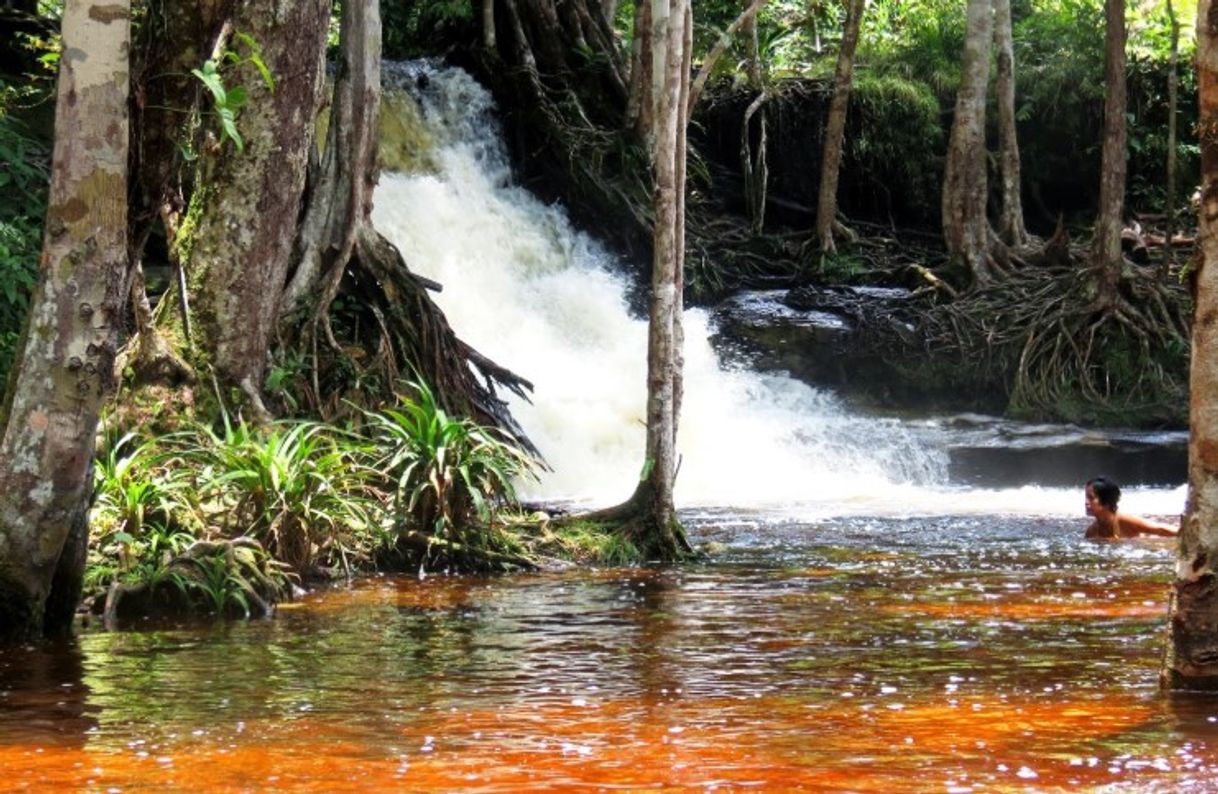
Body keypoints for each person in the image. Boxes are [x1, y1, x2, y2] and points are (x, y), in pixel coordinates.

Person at [1084, 476, 1178, 539]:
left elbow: (1159, 529)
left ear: (1107, 502)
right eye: (1086, 497)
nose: (1086, 503)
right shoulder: (1091, 533)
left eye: (1091, 498)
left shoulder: (1125, 521)